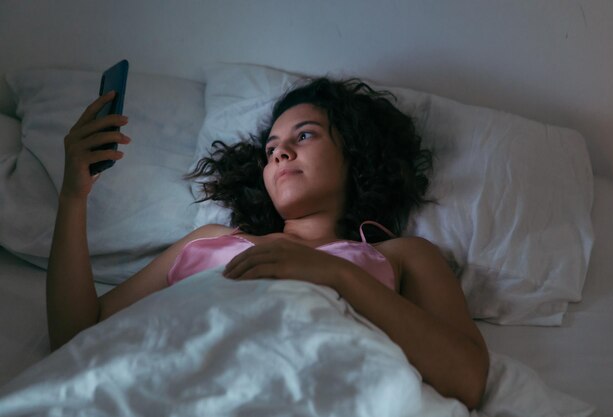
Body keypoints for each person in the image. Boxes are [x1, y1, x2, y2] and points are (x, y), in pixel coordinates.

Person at [47, 77, 489, 409]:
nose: (279, 153)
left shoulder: (400, 255)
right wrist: (73, 196)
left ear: (354, 152)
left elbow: (467, 381)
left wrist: (336, 274)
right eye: (271, 147)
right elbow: (77, 337)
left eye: (305, 135)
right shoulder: (211, 242)